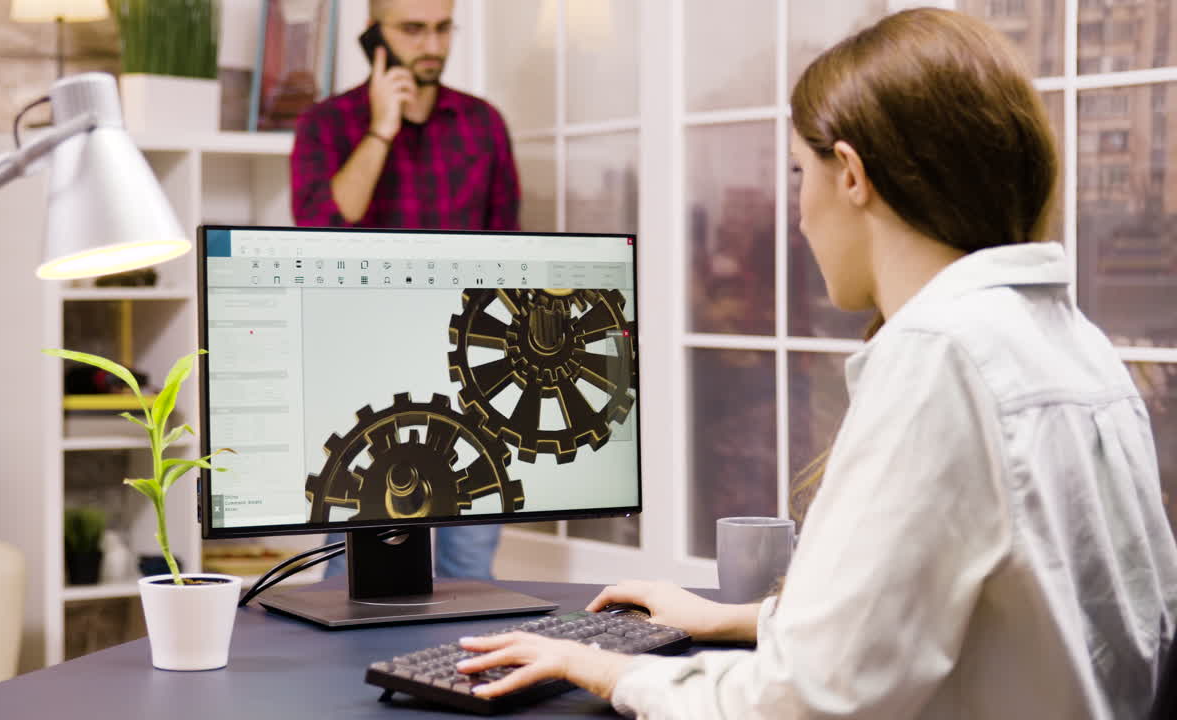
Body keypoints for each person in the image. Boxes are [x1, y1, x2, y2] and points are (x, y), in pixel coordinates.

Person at [454, 8, 1177, 717]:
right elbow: (983, 617)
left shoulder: (941, 357)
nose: (799, 213)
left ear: (852, 175)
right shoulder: (1076, 344)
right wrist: (737, 618)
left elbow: (802, 703)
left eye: (800, 171)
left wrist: (608, 670)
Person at [290, 0, 519, 580]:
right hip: (364, 376)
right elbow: (320, 232)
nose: (432, 46)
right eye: (413, 30)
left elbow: (508, 255)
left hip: (472, 370)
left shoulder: (483, 124)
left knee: (471, 572)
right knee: (357, 570)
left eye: (442, 28)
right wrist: (380, 130)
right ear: (375, 36)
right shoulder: (326, 125)